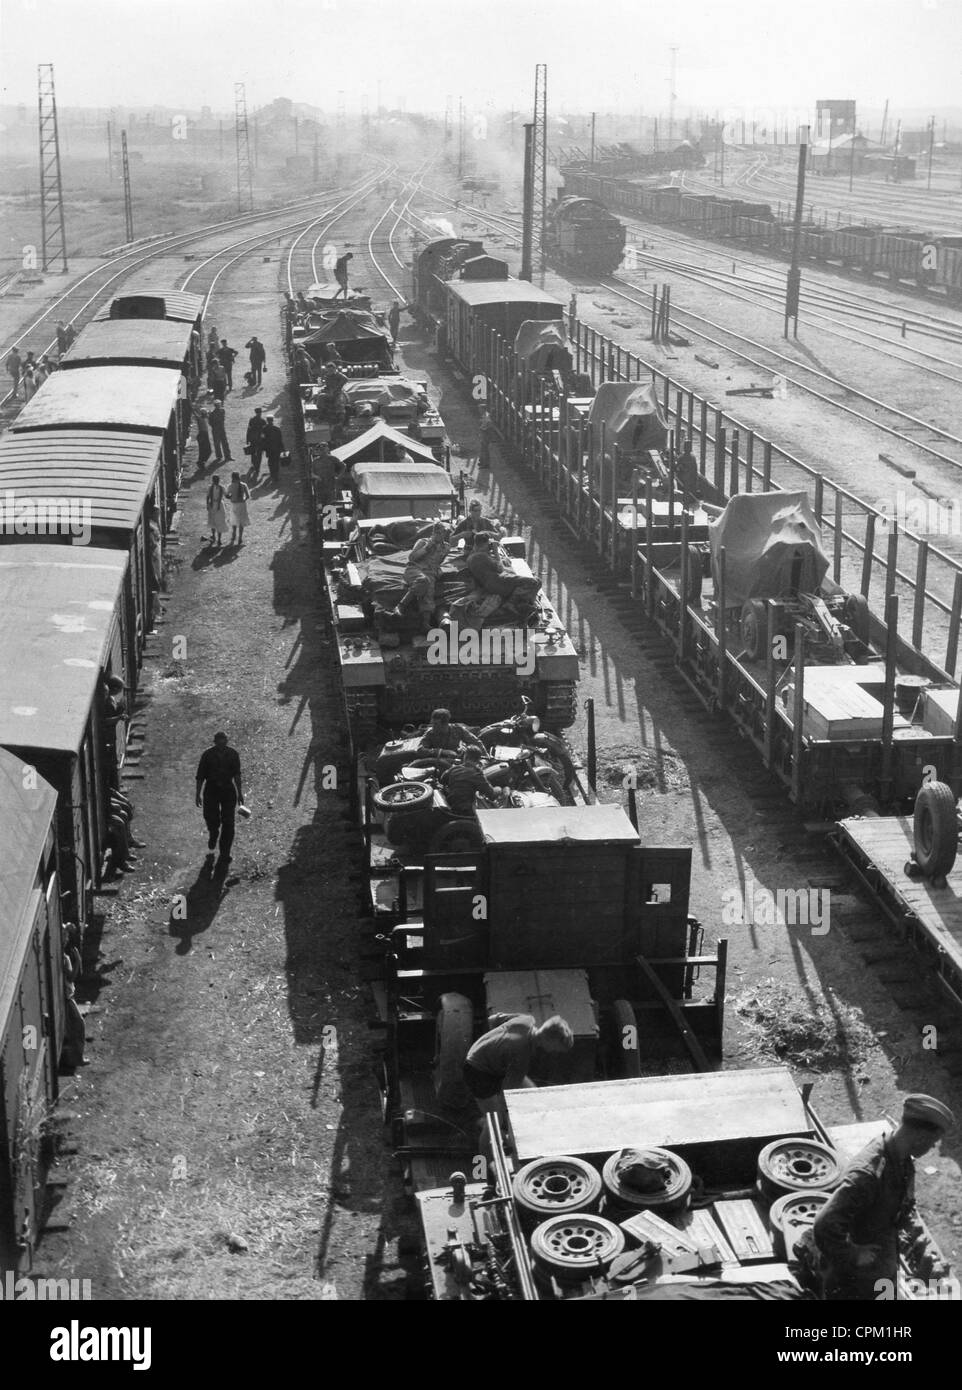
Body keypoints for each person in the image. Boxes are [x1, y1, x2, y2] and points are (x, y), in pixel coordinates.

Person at [812, 1093, 955, 1300]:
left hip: (879, 1273)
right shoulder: (869, 1173)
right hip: (856, 1283)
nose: (932, 1147)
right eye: (933, 1142)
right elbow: (824, 1223)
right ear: (920, 1137)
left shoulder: (901, 1160)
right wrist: (853, 1254)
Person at [462, 1014, 574, 1112]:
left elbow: (492, 1020)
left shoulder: (526, 1020)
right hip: (477, 1072)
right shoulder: (522, 1055)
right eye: (555, 1049)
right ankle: (488, 1125)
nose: (553, 1052)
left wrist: (494, 1044)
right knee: (495, 1122)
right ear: (549, 1040)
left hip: (476, 1052)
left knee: (534, 1094)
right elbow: (506, 1093)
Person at [195, 731, 245, 866]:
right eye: (219, 743)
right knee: (211, 819)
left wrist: (240, 793)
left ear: (227, 742)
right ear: (215, 742)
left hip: (228, 791)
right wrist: (197, 794)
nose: (222, 745)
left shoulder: (233, 754)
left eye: (224, 742)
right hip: (211, 790)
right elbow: (200, 776)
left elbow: (237, 775)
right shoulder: (207, 755)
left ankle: (225, 853)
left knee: (229, 823)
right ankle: (213, 834)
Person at [393, 522, 450, 629]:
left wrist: (438, 569)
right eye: (438, 532)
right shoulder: (423, 542)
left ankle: (425, 623)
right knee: (423, 580)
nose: (441, 535)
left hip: (430, 572)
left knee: (429, 592)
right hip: (414, 569)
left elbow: (439, 561)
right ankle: (400, 606)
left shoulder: (446, 547)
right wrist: (427, 548)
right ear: (433, 533)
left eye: (443, 533)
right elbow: (412, 558)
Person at [466, 532, 538, 605]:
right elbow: (501, 569)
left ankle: (515, 599)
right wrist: (495, 552)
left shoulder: (470, 557)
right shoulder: (483, 557)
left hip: (488, 586)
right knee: (535, 582)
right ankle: (516, 603)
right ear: (486, 543)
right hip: (499, 583)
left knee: (512, 572)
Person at [441, 746, 506, 814]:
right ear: (478, 760)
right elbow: (492, 795)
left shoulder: (454, 768)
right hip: (465, 811)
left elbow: (442, 780)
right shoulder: (477, 774)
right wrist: (499, 789)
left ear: (465, 756)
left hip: (451, 804)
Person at [418, 708, 486, 756]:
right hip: (436, 761)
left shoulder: (458, 730)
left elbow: (476, 742)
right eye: (432, 723)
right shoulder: (430, 733)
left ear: (445, 724)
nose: (432, 726)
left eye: (435, 724)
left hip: (455, 759)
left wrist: (486, 757)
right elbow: (420, 750)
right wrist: (442, 752)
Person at [227, 471, 251, 546]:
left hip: (234, 504)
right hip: (242, 504)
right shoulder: (243, 485)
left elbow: (227, 495)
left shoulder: (230, 486)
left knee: (234, 520)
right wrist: (243, 499)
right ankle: (240, 537)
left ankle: (234, 535)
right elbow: (247, 496)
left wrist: (230, 497)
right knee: (241, 521)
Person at [206, 475, 228, 547]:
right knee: (212, 521)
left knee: (220, 521)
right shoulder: (210, 487)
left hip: (219, 505)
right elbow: (208, 496)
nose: (216, 481)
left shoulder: (222, 487)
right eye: (215, 480)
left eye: (217, 480)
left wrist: (231, 495)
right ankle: (214, 536)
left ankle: (219, 539)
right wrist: (207, 505)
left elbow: (226, 495)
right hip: (212, 504)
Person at [262, 415, 284, 486]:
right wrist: (283, 448)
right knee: (276, 462)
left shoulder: (264, 429)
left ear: (267, 421)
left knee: (270, 461)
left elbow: (262, 438)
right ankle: (276, 476)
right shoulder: (277, 429)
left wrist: (263, 447)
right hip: (277, 448)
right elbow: (280, 440)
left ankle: (272, 474)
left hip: (269, 449)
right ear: (272, 420)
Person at [246, 406, 266, 480]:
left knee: (253, 453)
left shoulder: (252, 420)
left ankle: (254, 465)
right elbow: (264, 432)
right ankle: (257, 467)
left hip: (253, 439)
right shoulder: (263, 421)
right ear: (260, 413)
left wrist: (247, 439)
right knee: (259, 454)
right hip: (260, 440)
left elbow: (249, 430)